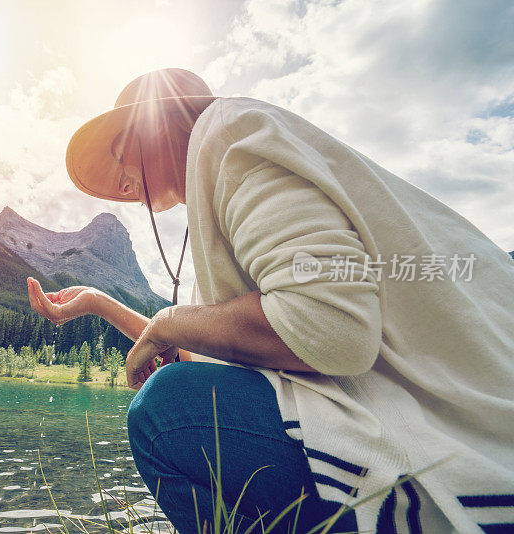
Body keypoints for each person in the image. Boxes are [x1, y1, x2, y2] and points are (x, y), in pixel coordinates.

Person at [26, 68, 514, 533]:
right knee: (181, 395)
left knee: (165, 412)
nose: (120, 178)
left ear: (164, 124)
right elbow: (217, 355)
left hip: (453, 442)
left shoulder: (230, 138)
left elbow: (334, 329)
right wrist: (100, 304)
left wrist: (170, 322)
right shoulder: (224, 189)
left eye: (121, 150)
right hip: (424, 416)